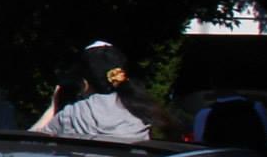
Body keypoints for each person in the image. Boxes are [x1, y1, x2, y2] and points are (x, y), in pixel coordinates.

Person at [30, 42, 167, 142]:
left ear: (84, 84)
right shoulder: (140, 113)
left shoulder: (73, 114)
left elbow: (29, 142)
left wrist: (53, 107)